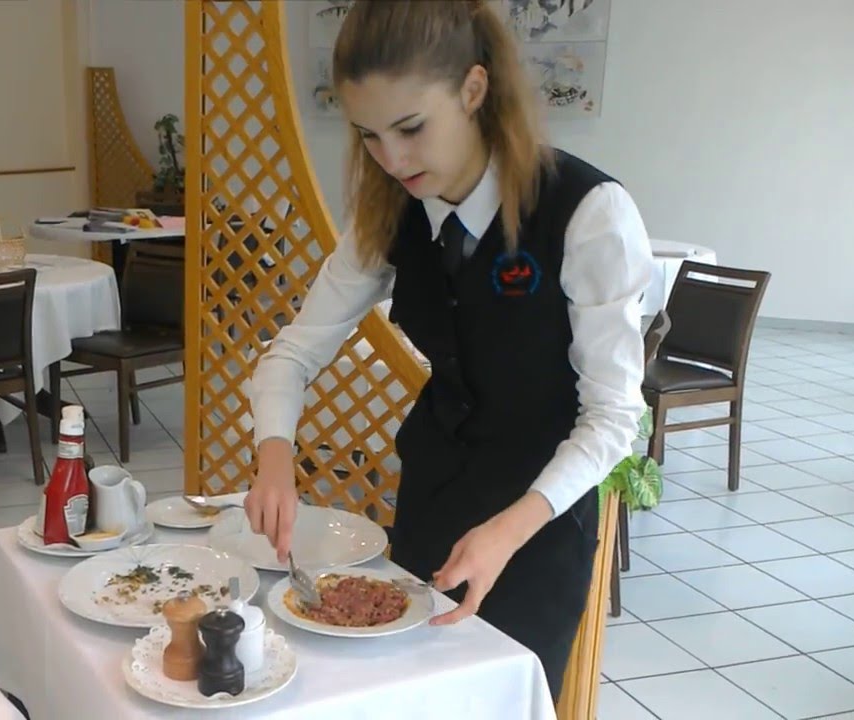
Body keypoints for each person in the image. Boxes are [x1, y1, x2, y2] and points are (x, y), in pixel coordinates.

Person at [244, 0, 650, 699]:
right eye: (368, 136)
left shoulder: (585, 212)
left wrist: (509, 530)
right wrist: (274, 458)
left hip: (538, 519)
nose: (392, 159)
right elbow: (292, 353)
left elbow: (614, 416)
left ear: (473, 89)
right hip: (431, 502)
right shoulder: (389, 212)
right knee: (406, 694)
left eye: (411, 128)